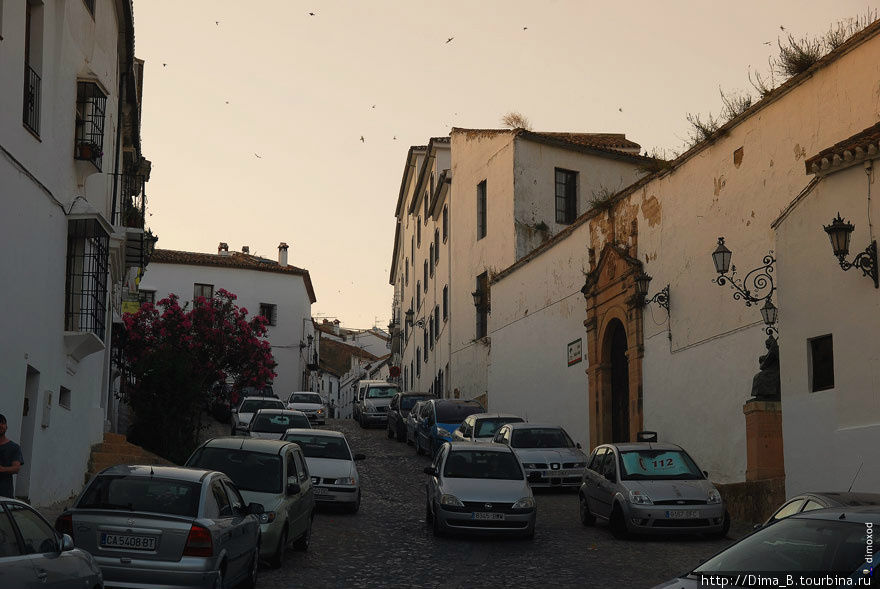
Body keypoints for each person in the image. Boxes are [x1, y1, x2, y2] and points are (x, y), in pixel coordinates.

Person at [0, 414, 23, 498]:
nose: (0, 425)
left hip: (4, 494)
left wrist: (2, 469)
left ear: (6, 427)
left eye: (2, 423)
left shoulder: (14, 447)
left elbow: (16, 468)